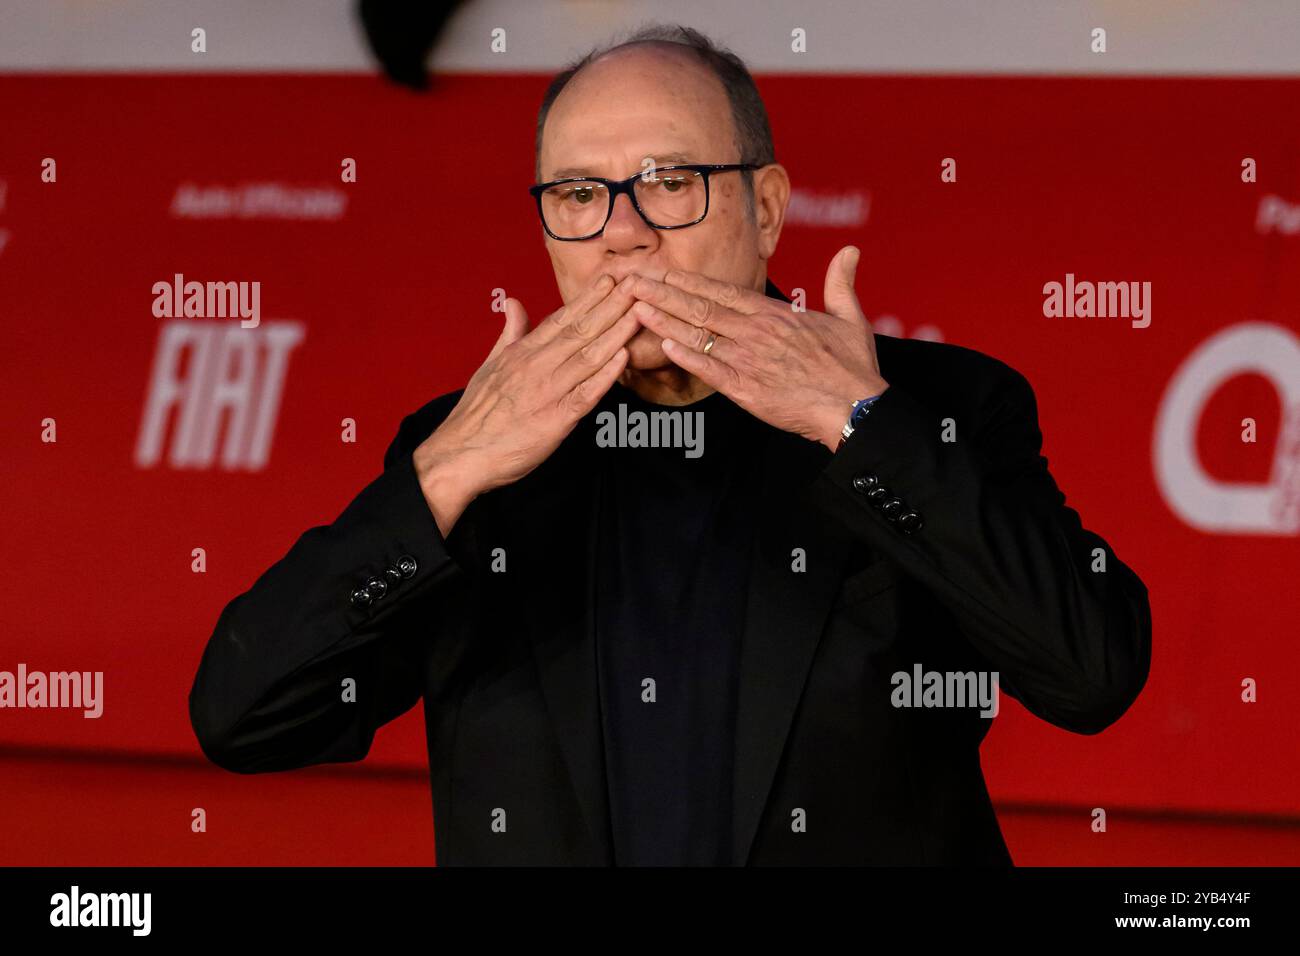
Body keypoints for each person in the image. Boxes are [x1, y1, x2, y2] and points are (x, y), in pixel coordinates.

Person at [189, 24, 1152, 865]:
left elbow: (1091, 675)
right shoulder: (472, 457)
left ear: (766, 208)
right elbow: (246, 718)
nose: (623, 234)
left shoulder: (934, 406)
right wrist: (447, 474)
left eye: (669, 182)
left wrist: (858, 425)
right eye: (578, 195)